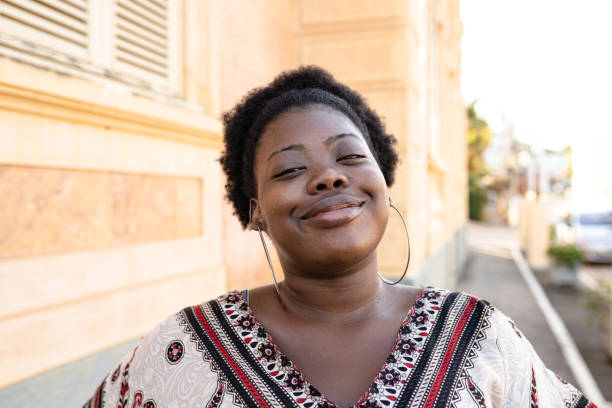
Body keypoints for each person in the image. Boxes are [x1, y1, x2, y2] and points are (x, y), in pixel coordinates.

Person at [84, 66, 595, 408]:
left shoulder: (481, 336)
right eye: (290, 169)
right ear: (256, 211)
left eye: (350, 157)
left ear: (381, 178)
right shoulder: (184, 346)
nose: (329, 177)